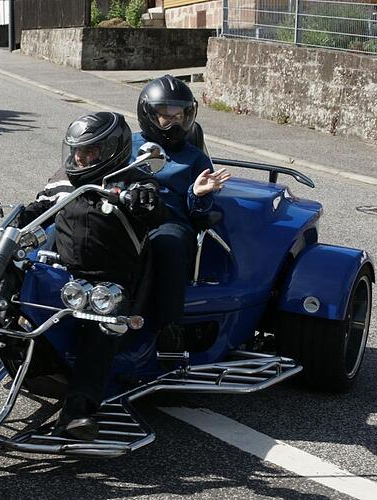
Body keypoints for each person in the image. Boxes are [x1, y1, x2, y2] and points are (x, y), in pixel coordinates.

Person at [23, 112, 166, 440]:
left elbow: (155, 210)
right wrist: (14, 224)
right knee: (8, 289)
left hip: (110, 284)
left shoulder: (133, 180)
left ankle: (78, 412)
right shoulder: (62, 180)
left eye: (89, 152)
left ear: (112, 150)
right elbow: (39, 209)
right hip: (63, 275)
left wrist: (145, 200)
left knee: (99, 326)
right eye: (77, 151)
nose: (80, 158)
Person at [132, 75, 231, 350]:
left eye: (180, 116)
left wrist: (197, 194)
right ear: (149, 114)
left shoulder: (195, 158)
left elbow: (200, 213)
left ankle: (169, 328)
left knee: (167, 244)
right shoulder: (127, 145)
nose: (174, 123)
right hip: (126, 215)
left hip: (170, 222)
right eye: (166, 116)